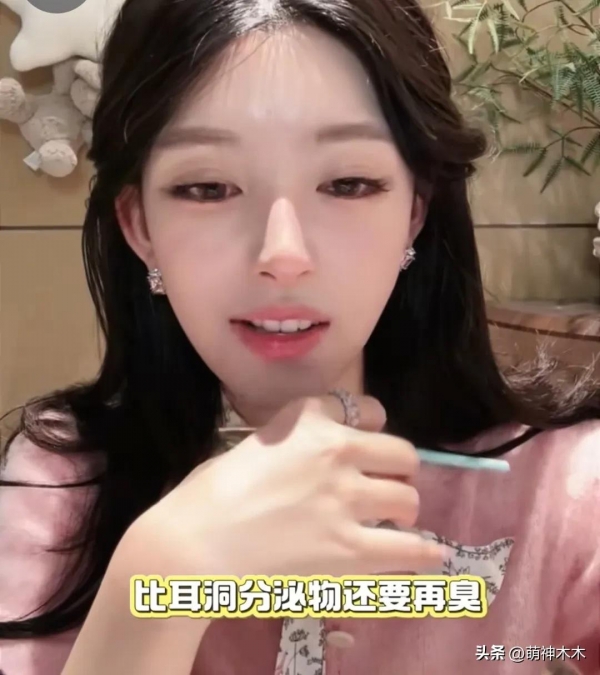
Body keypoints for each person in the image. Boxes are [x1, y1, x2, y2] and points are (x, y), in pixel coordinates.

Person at [0, 0, 598, 673]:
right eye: (208, 187)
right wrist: (165, 573)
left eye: (348, 183)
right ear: (140, 226)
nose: (282, 254)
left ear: (414, 210)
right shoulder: (64, 485)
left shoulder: (562, 487)